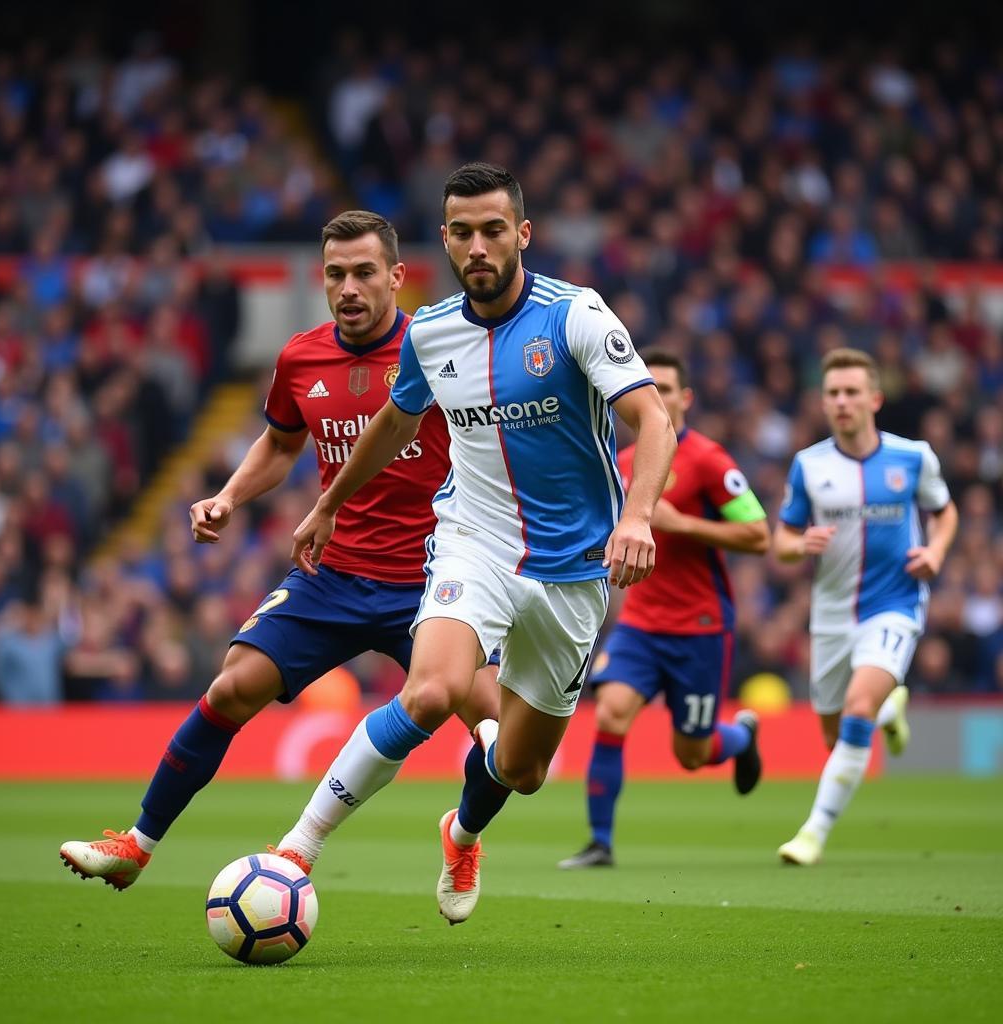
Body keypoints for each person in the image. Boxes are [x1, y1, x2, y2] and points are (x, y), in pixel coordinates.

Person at [273, 161, 676, 926]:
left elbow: (653, 419)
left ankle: (461, 831)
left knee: (522, 770)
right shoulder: (430, 331)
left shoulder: (577, 315)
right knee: (429, 692)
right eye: (461, 232)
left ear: (521, 233)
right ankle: (299, 847)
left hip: (573, 569)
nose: (478, 245)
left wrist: (638, 517)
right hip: (473, 543)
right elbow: (394, 424)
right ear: (446, 241)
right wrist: (327, 503)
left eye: (494, 229)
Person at [59, 210, 498, 889]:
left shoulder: (441, 348)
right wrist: (230, 497)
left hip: (435, 582)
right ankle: (136, 846)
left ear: (396, 277)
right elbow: (282, 442)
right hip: (335, 573)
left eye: (363, 273)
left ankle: (462, 834)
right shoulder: (301, 357)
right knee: (231, 685)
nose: (348, 288)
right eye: (334, 274)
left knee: (503, 732)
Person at [558, 350, 771, 869]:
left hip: (699, 628)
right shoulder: (622, 462)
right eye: (648, 386)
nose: (659, 396)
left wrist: (685, 526)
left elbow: (759, 534)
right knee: (610, 713)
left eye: (668, 388)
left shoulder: (710, 461)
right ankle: (599, 842)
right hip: (640, 625)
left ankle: (741, 737)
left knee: (691, 754)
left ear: (685, 398)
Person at [774, 347, 958, 866]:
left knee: (856, 709)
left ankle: (812, 832)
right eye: (833, 393)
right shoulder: (809, 466)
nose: (842, 401)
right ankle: (888, 708)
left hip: (895, 604)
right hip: (831, 616)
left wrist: (936, 551)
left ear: (874, 398)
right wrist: (800, 543)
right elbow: (781, 541)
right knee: (836, 734)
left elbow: (945, 514)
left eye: (852, 392)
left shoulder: (913, 457)